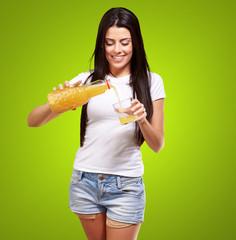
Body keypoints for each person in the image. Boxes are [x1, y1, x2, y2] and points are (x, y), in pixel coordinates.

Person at [28, 7, 166, 240]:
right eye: (109, 42)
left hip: (126, 185)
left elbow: (158, 144)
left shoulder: (152, 82)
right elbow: (33, 120)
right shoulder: (87, 81)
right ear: (102, 45)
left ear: (136, 43)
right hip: (85, 181)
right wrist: (60, 102)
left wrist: (141, 119)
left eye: (124, 42)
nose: (117, 50)